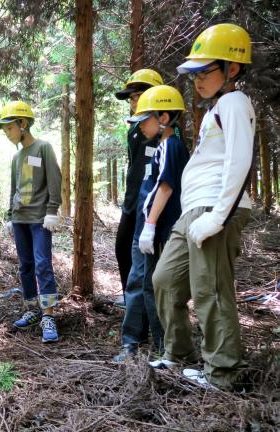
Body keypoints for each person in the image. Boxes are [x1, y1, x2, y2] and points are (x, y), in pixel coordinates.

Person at [150, 23, 255, 391]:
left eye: (204, 71)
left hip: (215, 208)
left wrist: (217, 216)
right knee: (164, 280)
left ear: (233, 68)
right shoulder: (216, 109)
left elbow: (239, 161)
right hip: (194, 210)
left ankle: (223, 372)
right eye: (193, 73)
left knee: (210, 289)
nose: (196, 80)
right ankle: (178, 354)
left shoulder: (235, 102)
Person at [113, 85, 189, 361]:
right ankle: (130, 343)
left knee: (150, 285)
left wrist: (151, 226)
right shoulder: (155, 145)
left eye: (145, 120)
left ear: (164, 118)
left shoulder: (172, 145)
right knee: (136, 282)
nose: (141, 126)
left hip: (155, 230)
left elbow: (167, 186)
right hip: (143, 228)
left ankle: (160, 345)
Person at [0, 101, 62, 343]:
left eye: (9, 128)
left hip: (40, 219)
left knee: (43, 264)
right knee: (25, 265)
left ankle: (49, 316)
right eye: (5, 130)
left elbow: (55, 179)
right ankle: (32, 308)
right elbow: (14, 187)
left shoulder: (43, 148)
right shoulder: (17, 157)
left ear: (23, 124)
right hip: (20, 219)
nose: (7, 133)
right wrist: (11, 215)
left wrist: (53, 209)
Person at [113, 69, 163, 307]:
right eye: (131, 98)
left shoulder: (163, 129)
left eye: (137, 96)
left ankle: (150, 306)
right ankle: (130, 300)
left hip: (153, 203)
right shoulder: (134, 129)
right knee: (122, 247)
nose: (133, 102)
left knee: (150, 257)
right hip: (132, 202)